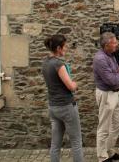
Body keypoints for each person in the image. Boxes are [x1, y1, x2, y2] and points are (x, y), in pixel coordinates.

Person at [42, 34, 84, 162]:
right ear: (59, 48)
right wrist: (76, 84)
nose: (66, 49)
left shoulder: (45, 63)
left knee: (55, 144)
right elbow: (71, 86)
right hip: (66, 107)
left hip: (53, 107)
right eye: (65, 46)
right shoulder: (59, 64)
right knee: (76, 141)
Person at [93, 32, 119, 162]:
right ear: (106, 45)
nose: (116, 45)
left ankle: (109, 150)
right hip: (106, 94)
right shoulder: (100, 59)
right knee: (104, 127)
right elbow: (113, 80)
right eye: (114, 43)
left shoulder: (111, 54)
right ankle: (102, 157)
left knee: (117, 124)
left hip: (115, 93)